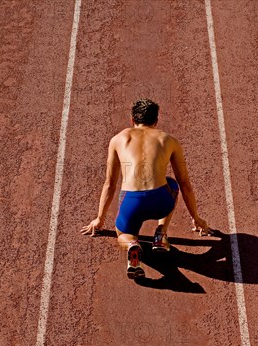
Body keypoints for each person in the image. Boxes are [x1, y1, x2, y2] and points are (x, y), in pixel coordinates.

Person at [81, 98, 212, 279]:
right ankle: (160, 233)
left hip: (131, 202)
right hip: (160, 201)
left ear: (132, 120)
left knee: (123, 234)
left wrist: (99, 219)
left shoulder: (118, 139)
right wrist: (196, 218)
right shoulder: (169, 140)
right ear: (156, 121)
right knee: (172, 184)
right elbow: (185, 185)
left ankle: (132, 245)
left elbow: (109, 184)